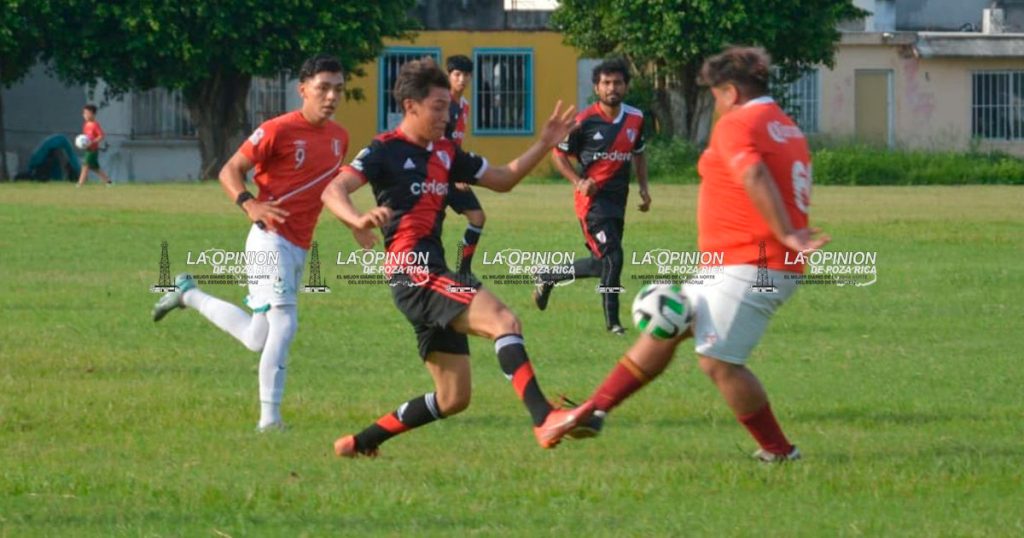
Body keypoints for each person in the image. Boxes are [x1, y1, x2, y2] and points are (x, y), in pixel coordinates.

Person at [539, 46, 831, 462]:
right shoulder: (785, 126)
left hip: (752, 262)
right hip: (734, 262)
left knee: (718, 362)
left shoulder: (738, 123)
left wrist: (785, 233)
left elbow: (753, 173)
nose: (716, 104)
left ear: (731, 92)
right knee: (668, 323)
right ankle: (595, 409)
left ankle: (779, 451)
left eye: (715, 94)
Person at [320, 58, 581, 458]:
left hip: (430, 271)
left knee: (453, 397)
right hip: (413, 271)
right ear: (411, 106)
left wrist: (545, 143)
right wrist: (356, 219)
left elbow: (503, 179)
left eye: (449, 107)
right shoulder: (384, 149)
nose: (447, 115)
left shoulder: (445, 151)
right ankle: (544, 418)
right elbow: (333, 190)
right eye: (439, 107)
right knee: (504, 321)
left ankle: (359, 443)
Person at [151, 54, 351, 432]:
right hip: (269, 241)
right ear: (303, 89)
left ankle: (188, 295)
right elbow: (229, 170)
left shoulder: (340, 138)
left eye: (338, 89)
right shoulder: (277, 129)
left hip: (298, 245)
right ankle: (269, 421)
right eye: (323, 88)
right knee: (285, 324)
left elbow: (329, 190)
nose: (331, 96)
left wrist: (354, 222)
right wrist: (249, 203)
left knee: (256, 338)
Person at [535, 58, 651, 336]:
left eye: (618, 83)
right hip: (591, 204)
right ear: (596, 88)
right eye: (606, 83)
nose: (612, 88)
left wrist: (644, 188)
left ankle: (548, 276)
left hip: (618, 202)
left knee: (601, 264)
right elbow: (558, 155)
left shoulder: (635, 118)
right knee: (614, 257)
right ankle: (614, 325)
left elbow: (639, 153)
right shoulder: (583, 121)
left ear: (626, 86)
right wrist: (579, 182)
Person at [443, 55, 487, 275]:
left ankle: (463, 270)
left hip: (453, 172)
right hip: (436, 175)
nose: (462, 79)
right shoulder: (442, 105)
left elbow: (455, 144)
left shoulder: (465, 106)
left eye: (466, 75)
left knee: (477, 217)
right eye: (457, 74)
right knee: (428, 227)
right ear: (448, 76)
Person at [76, 104, 113, 186]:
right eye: (83, 113)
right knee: (95, 168)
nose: (84, 115)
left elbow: (101, 136)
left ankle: (80, 184)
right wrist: (83, 144)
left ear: (92, 114)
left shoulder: (95, 125)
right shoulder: (86, 125)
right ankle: (109, 182)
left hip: (93, 150)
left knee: (85, 166)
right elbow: (85, 138)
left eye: (87, 113)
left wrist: (92, 142)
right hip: (88, 149)